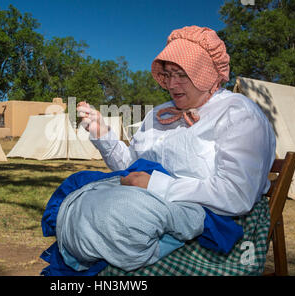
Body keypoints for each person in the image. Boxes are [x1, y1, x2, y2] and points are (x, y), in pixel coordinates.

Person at [77, 25, 276, 217]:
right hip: (148, 210)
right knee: (79, 199)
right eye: (168, 75)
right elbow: (131, 167)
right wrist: (102, 134)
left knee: (104, 225)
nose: (172, 84)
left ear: (206, 74)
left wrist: (155, 185)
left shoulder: (237, 114)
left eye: (182, 75)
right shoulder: (160, 113)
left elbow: (237, 195)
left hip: (215, 224)